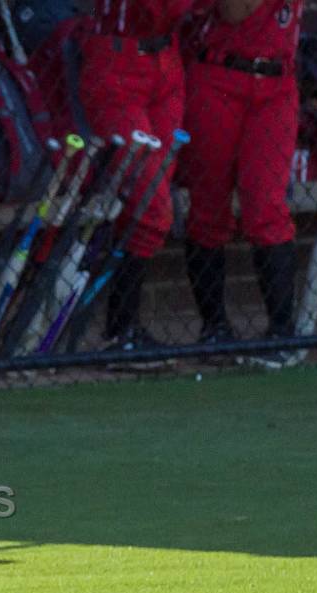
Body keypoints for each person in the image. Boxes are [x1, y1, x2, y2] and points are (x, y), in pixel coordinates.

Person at [181, 0, 302, 367]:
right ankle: (215, 328)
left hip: (277, 84)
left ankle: (282, 332)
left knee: (266, 207)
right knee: (208, 207)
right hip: (219, 76)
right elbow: (235, 11)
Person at [77, 0, 194, 352]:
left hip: (166, 66)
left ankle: (122, 329)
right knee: (152, 206)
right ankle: (120, 328)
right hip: (116, 65)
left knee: (143, 207)